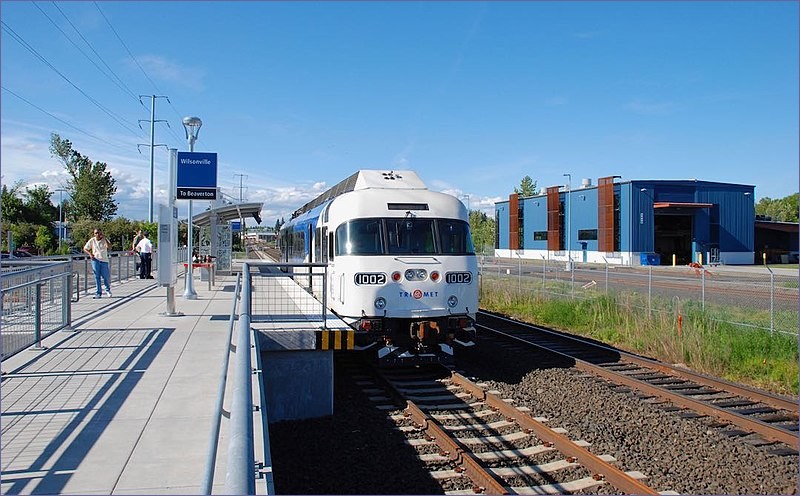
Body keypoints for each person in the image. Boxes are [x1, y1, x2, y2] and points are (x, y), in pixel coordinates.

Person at [83, 228, 112, 298]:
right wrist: (90, 254)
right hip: (95, 260)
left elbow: (110, 247)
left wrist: (105, 239)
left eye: (99, 233)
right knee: (97, 277)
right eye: (96, 233)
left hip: (104, 260)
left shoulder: (104, 240)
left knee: (105, 276)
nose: (98, 234)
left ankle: (108, 290)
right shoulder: (92, 240)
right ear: (94, 234)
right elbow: (85, 248)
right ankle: (98, 293)